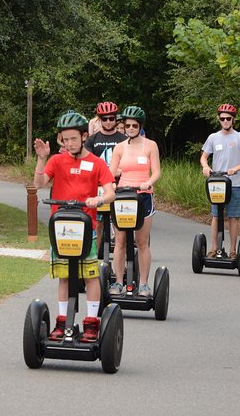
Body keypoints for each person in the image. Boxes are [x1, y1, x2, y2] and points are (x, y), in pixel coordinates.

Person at [33, 111, 116, 343]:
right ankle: (62, 321)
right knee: (64, 277)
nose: (69, 144)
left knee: (90, 276)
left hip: (85, 228)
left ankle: (91, 323)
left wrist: (99, 200)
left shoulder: (96, 163)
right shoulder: (57, 161)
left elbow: (110, 192)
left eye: (73, 139)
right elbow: (38, 184)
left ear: (84, 136)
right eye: (64, 139)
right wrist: (41, 159)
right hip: (61, 229)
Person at [108, 106, 161, 297]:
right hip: (123, 196)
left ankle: (144, 284)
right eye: (127, 125)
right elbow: (111, 172)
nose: (130, 128)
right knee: (120, 241)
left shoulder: (150, 145)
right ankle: (119, 281)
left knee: (142, 242)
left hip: (143, 196)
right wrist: (111, 185)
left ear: (140, 126)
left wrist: (148, 182)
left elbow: (156, 171)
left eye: (134, 125)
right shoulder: (120, 147)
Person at [199, 103, 240, 258]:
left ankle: (233, 251)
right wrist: (205, 167)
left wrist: (235, 168)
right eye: (222, 118)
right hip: (217, 182)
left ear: (233, 120)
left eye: (228, 118)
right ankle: (214, 248)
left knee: (233, 217)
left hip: (234, 183)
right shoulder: (213, 138)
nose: (225, 121)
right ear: (218, 119)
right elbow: (203, 157)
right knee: (216, 215)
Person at [84, 101, 127, 251]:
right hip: (98, 186)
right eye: (104, 119)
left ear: (116, 119)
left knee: (119, 225)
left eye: (111, 118)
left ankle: (123, 261)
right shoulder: (92, 140)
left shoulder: (123, 139)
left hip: (119, 185)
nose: (108, 122)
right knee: (98, 223)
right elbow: (86, 162)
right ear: (99, 120)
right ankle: (94, 256)